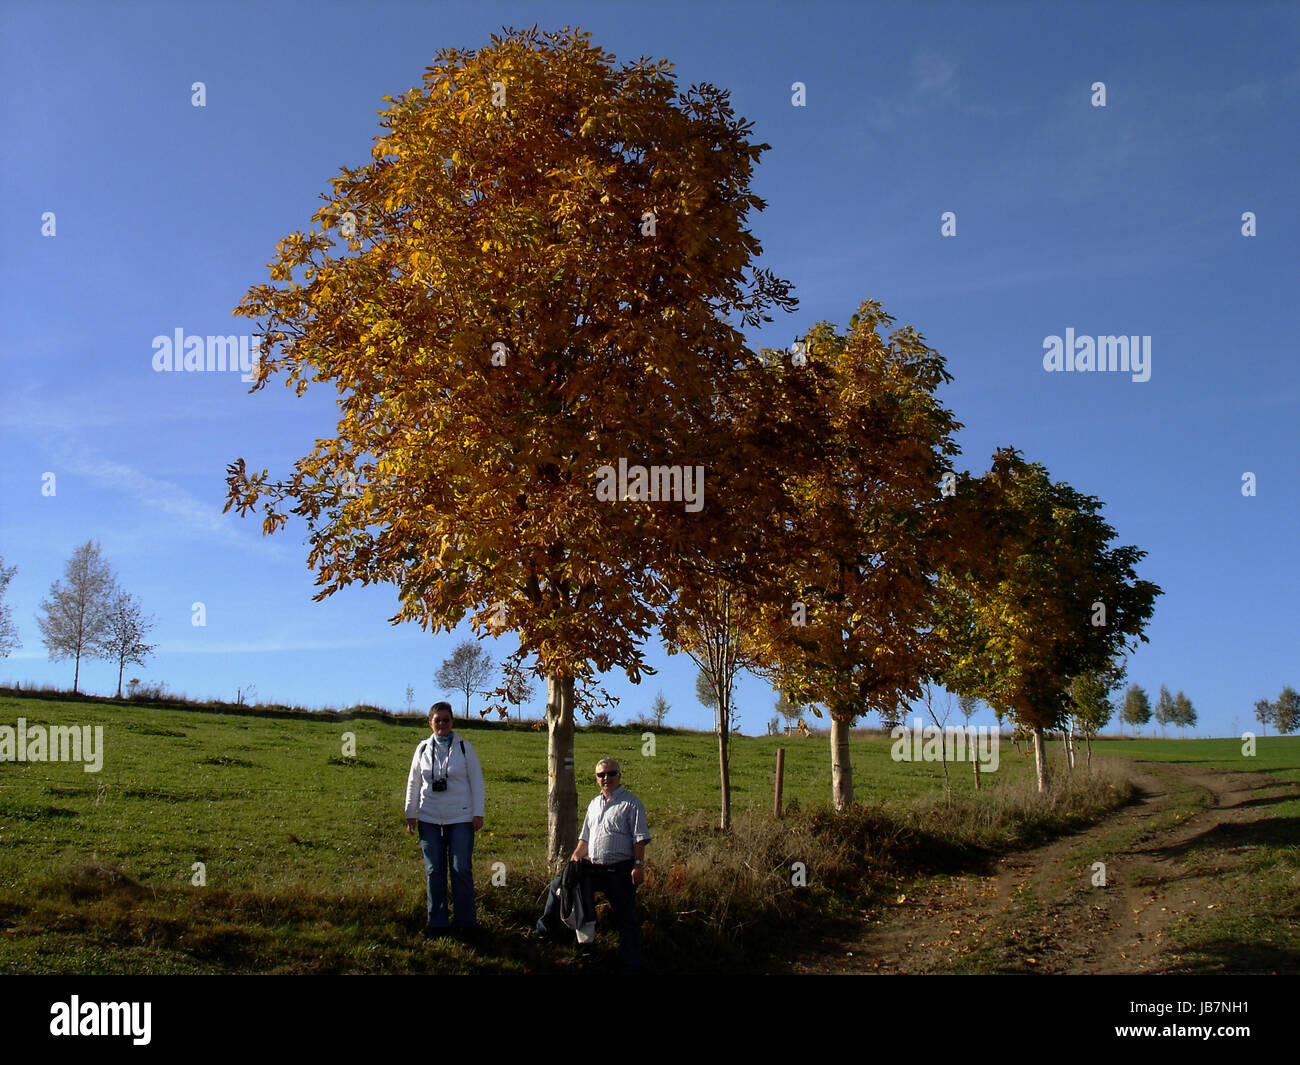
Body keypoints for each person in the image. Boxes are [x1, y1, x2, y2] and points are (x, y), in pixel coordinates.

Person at [404, 702, 485, 935]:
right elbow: (414, 782)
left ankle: (465, 923)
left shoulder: (464, 748)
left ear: (452, 722)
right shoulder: (421, 749)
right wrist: (410, 813)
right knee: (434, 870)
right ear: (430, 723)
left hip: (460, 817)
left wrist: (477, 812)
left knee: (461, 868)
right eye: (437, 720)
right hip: (429, 818)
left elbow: (477, 781)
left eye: (446, 720)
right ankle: (437, 923)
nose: (441, 724)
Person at [569, 758, 651, 971]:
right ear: (596, 779)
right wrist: (575, 858)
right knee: (563, 889)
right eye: (601, 775)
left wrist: (639, 865)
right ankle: (560, 939)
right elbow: (585, 839)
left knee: (626, 919)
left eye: (611, 774)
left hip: (620, 870)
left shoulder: (631, 803)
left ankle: (631, 964)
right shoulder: (594, 804)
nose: (606, 778)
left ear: (619, 776)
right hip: (595, 869)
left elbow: (639, 838)